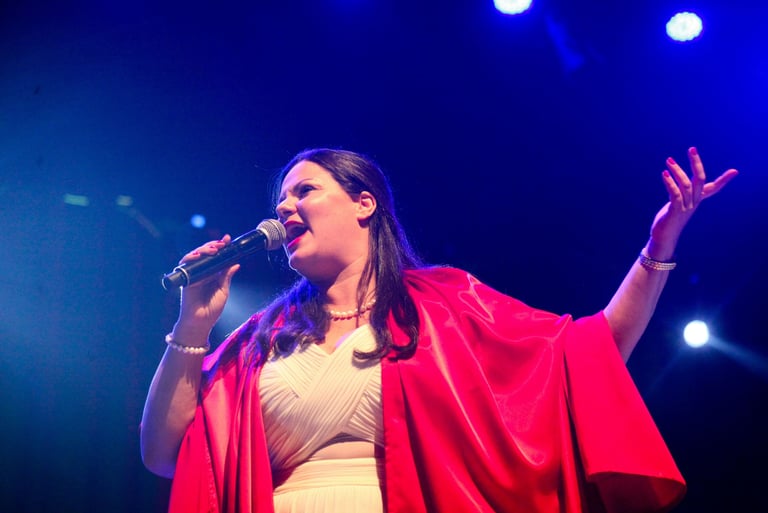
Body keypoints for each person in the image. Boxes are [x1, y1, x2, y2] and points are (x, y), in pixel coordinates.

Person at [140, 147, 737, 513]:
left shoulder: (447, 305)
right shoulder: (260, 340)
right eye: (281, 200)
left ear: (364, 204)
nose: (284, 209)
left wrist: (658, 247)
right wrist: (194, 321)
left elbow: (592, 351)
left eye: (305, 191)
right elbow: (164, 453)